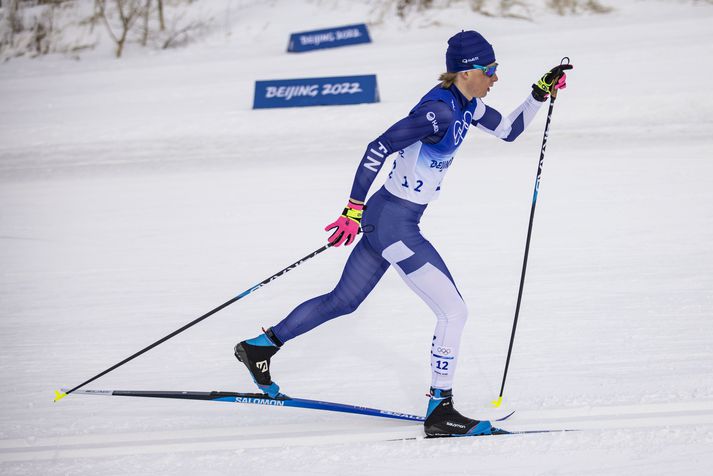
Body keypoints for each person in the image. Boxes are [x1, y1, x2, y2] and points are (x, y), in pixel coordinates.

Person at [234, 30, 572, 437]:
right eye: (490, 69)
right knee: (454, 311)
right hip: (393, 222)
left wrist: (539, 91)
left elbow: (511, 130)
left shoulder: (470, 105)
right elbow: (379, 146)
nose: (495, 77)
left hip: (388, 217)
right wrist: (352, 208)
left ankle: (261, 346)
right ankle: (440, 410)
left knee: (343, 300)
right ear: (466, 72)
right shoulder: (439, 112)